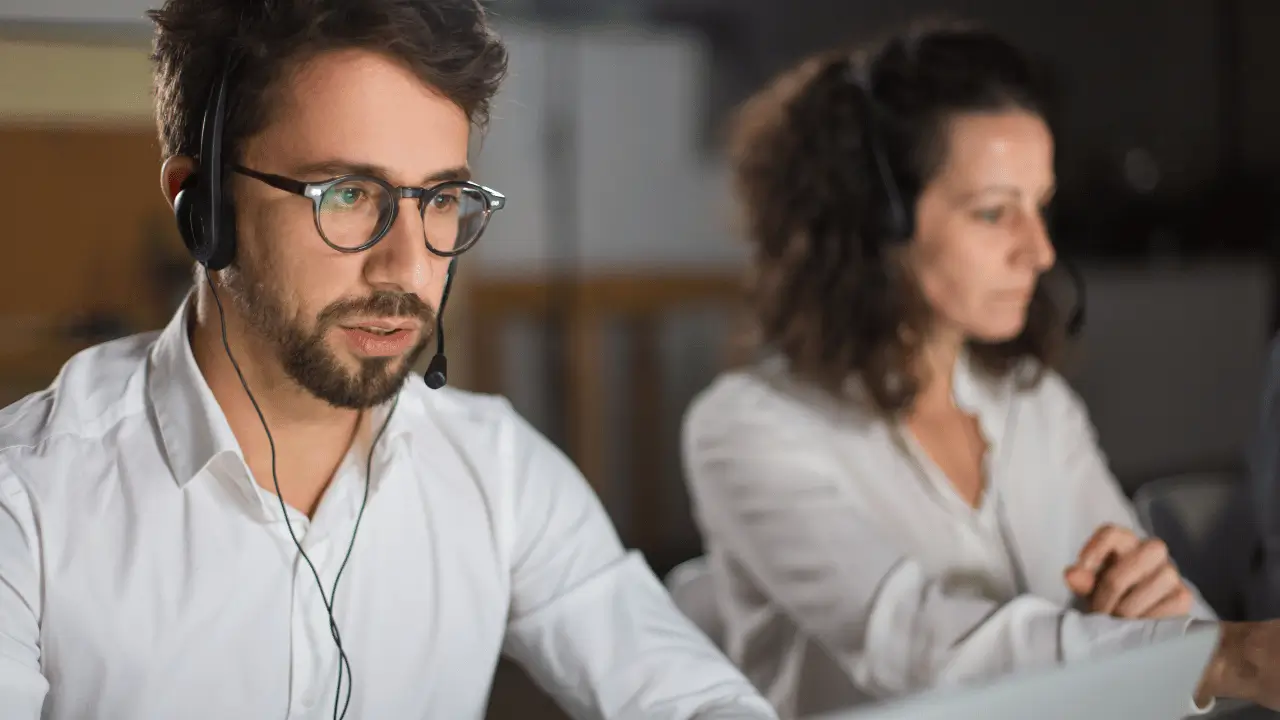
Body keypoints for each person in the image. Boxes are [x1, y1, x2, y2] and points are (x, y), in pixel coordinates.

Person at [0, 2, 778, 719]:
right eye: (346, 194)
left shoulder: (496, 471)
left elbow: (693, 699)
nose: (408, 269)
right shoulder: (28, 504)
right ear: (202, 206)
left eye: (439, 200)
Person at [680, 21, 1280, 719]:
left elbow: (1185, 637)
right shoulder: (746, 428)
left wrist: (1160, 624)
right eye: (995, 213)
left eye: (1040, 206)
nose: (1041, 252)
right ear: (878, 225)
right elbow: (914, 644)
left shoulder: (1033, 404)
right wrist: (1205, 654)